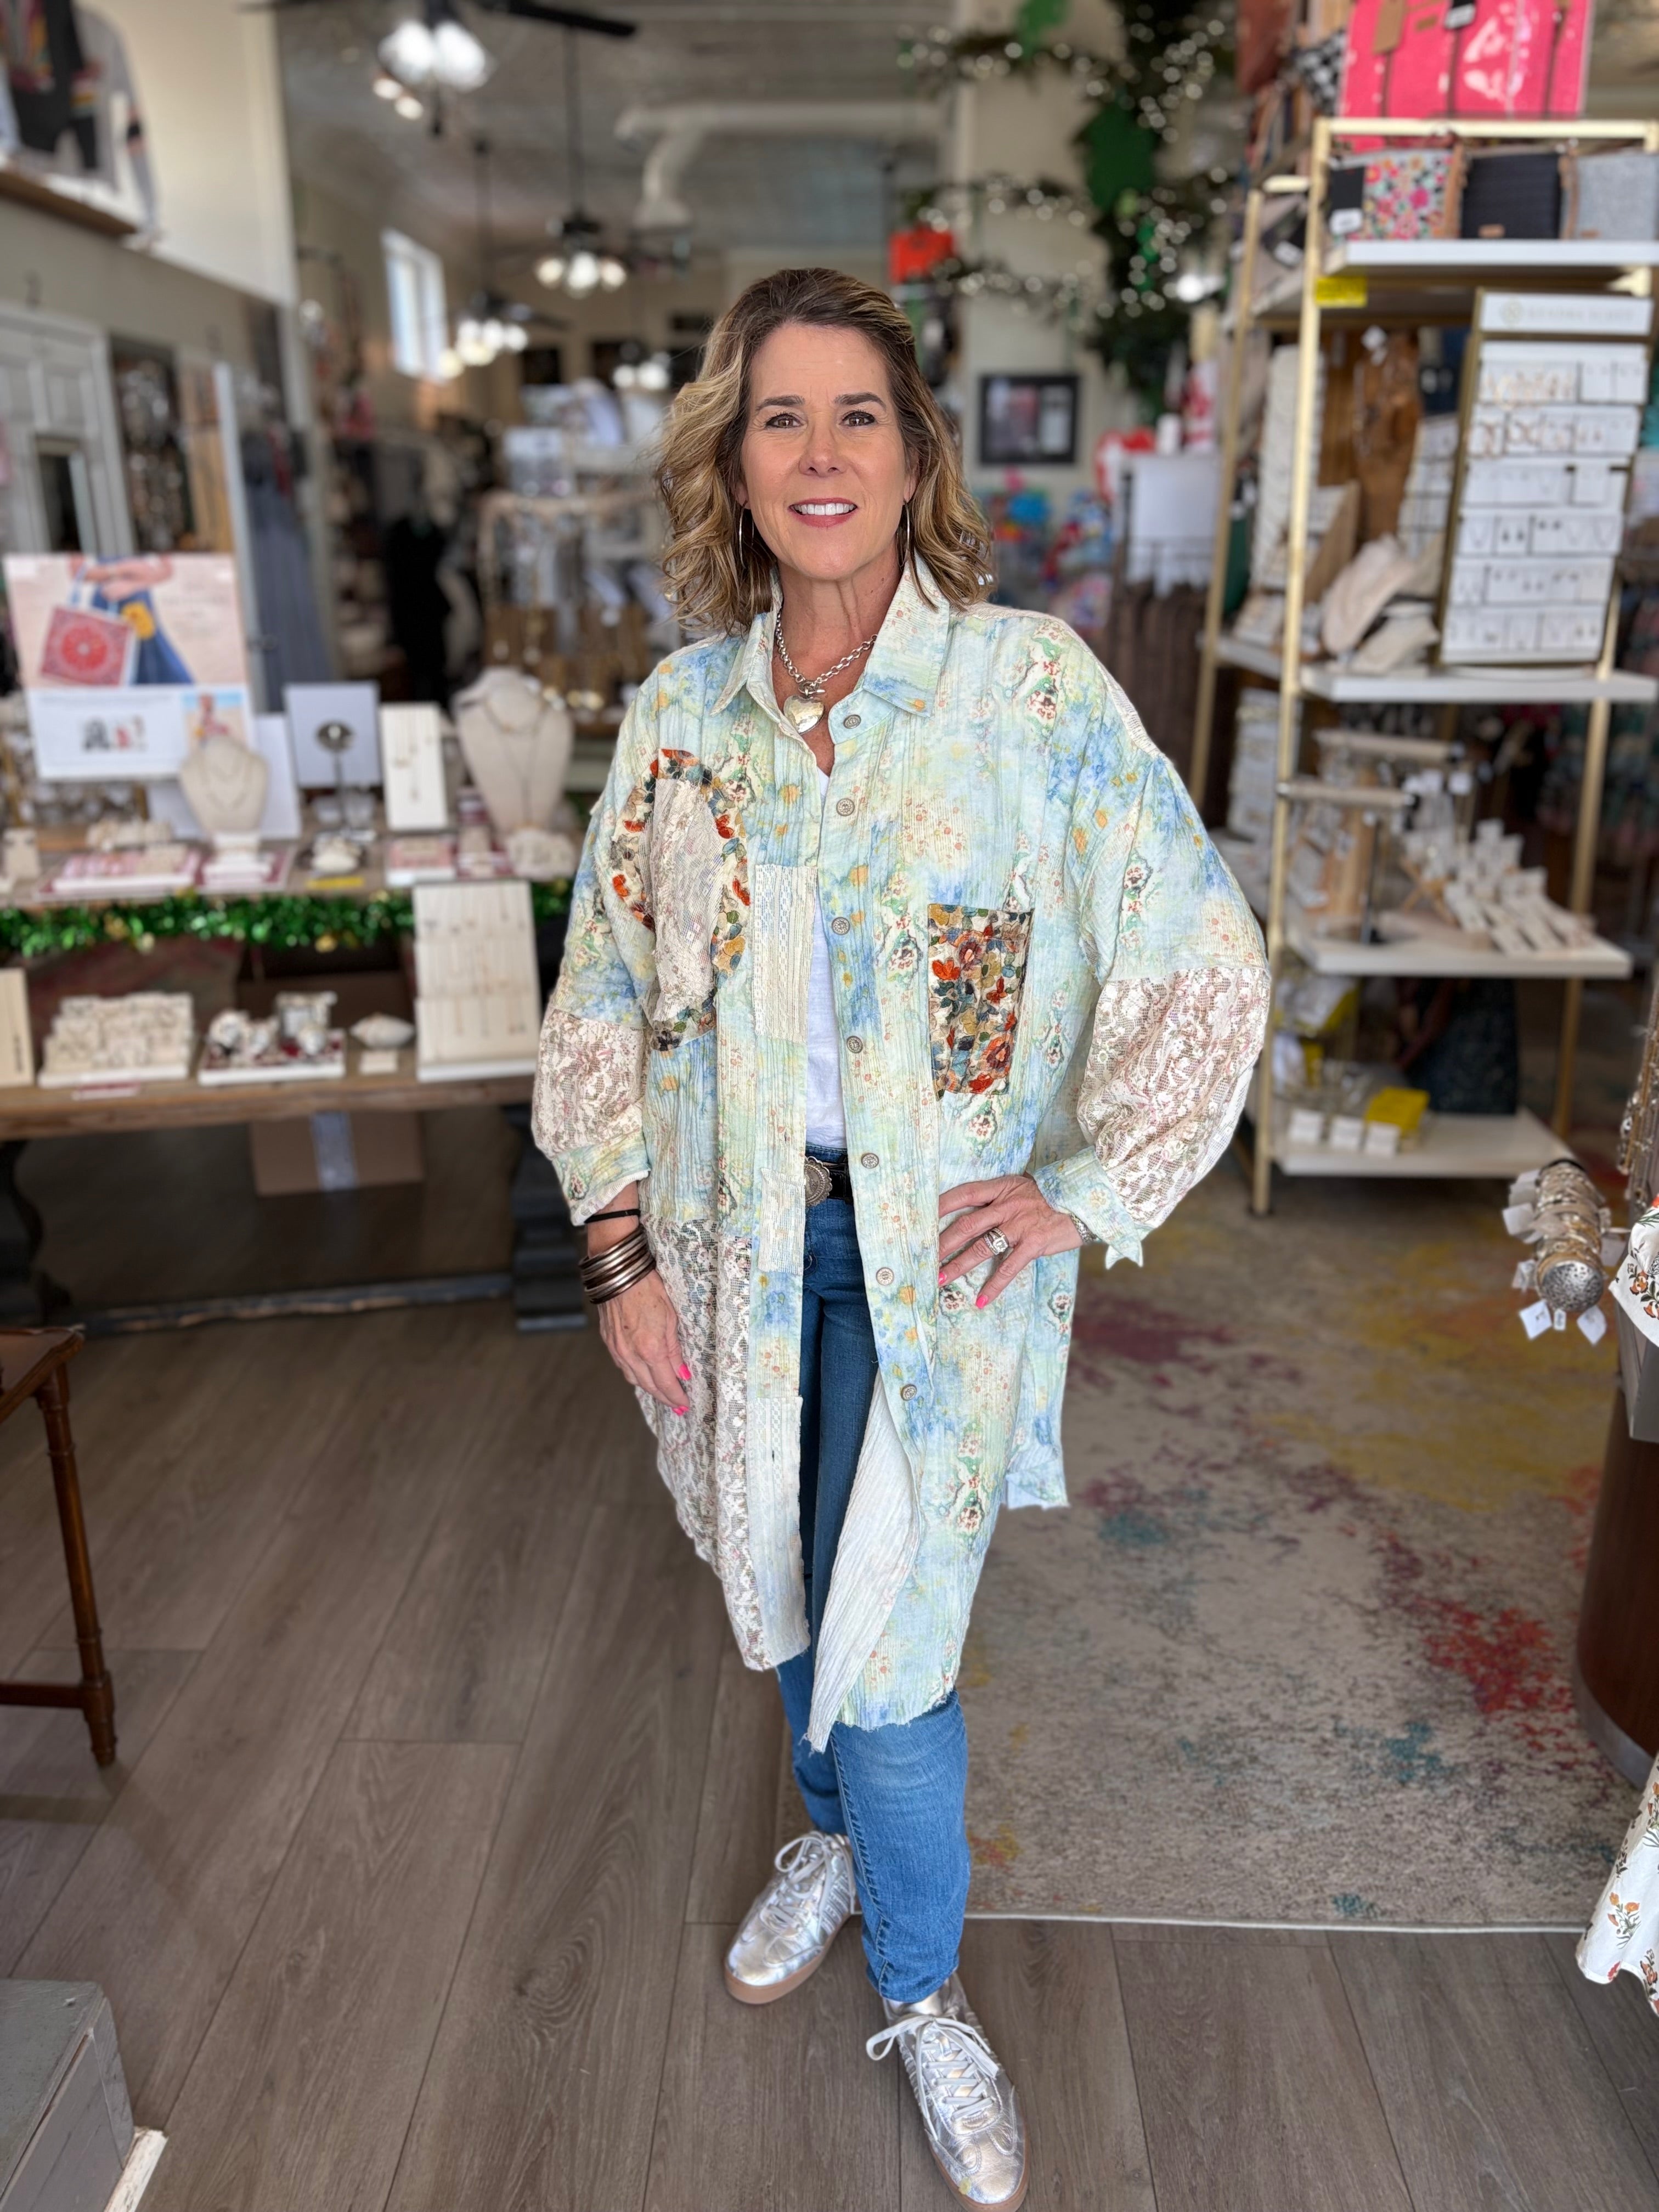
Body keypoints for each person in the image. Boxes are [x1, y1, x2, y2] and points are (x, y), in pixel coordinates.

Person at [533, 267, 1267, 2210]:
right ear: (736, 460)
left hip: (939, 1265)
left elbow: (1198, 935)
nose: (822, 453)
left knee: (902, 1653)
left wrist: (1091, 1185)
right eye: (781, 417)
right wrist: (617, 1256)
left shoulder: (1025, 689)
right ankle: (833, 1838)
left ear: (915, 447)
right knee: (786, 1578)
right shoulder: (686, 723)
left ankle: (925, 1990)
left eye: (858, 412)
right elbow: (603, 990)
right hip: (736, 1248)